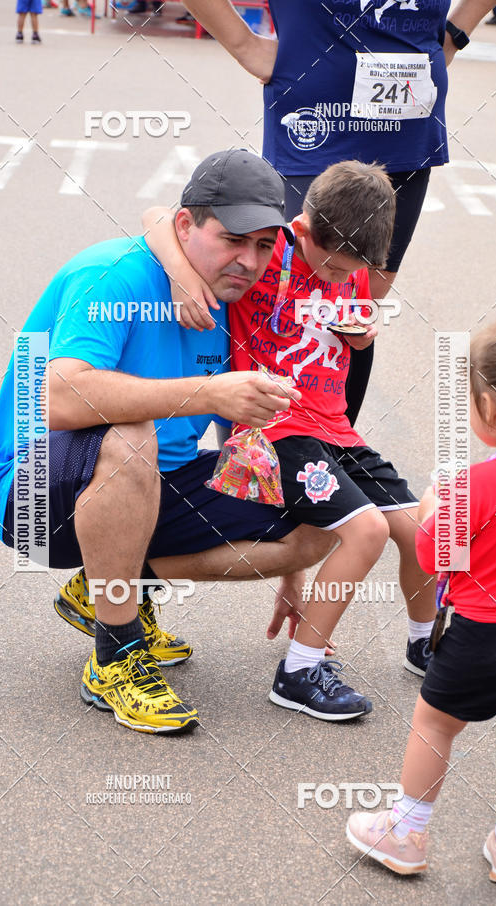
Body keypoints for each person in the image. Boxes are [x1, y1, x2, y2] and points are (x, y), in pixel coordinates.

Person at [0, 149, 334, 736]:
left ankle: (106, 584)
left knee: (314, 514)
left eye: (263, 245)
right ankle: (114, 654)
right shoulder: (114, 274)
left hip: (143, 485)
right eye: (233, 239)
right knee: (132, 439)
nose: (248, 260)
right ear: (188, 225)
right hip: (33, 492)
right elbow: (60, 399)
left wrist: (292, 570)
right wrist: (209, 393)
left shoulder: (230, 290)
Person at [139, 159, 438, 721]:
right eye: (330, 266)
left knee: (419, 528)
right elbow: (158, 217)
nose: (335, 278)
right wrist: (182, 275)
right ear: (300, 230)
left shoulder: (350, 269)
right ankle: (298, 671)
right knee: (365, 529)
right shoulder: (269, 249)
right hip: (278, 428)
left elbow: (347, 313)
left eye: (349, 270)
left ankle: (424, 644)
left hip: (336, 430)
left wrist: (359, 330)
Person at [180, 0, 496, 427]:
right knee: (280, 288)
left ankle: (333, 451)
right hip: (315, 110)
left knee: (354, 301)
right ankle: (253, 462)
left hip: (405, 110)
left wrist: (454, 35)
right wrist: (243, 44)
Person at [346, 316, 496, 884]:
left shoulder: (472, 484)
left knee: (434, 726)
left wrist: (435, 502)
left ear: (491, 410)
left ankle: (406, 833)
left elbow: (435, 559)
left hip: (481, 634)